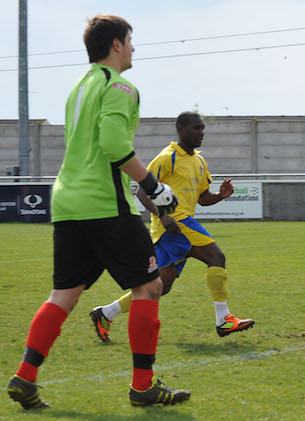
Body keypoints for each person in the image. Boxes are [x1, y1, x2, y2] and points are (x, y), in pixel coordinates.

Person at [6, 14, 190, 409]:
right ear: (117, 44)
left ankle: (25, 377)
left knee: (64, 293)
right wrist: (153, 186)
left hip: (68, 201)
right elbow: (111, 142)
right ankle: (143, 386)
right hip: (106, 202)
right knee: (149, 286)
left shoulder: (79, 86)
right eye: (131, 40)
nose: (134, 47)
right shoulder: (121, 86)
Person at [89, 111, 256, 344]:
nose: (201, 133)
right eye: (196, 128)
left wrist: (220, 196)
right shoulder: (166, 158)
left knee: (159, 286)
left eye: (203, 129)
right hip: (174, 223)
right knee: (216, 257)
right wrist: (163, 215)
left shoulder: (199, 161)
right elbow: (143, 191)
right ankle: (223, 319)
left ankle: (105, 313)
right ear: (181, 128)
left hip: (179, 226)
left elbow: (203, 197)